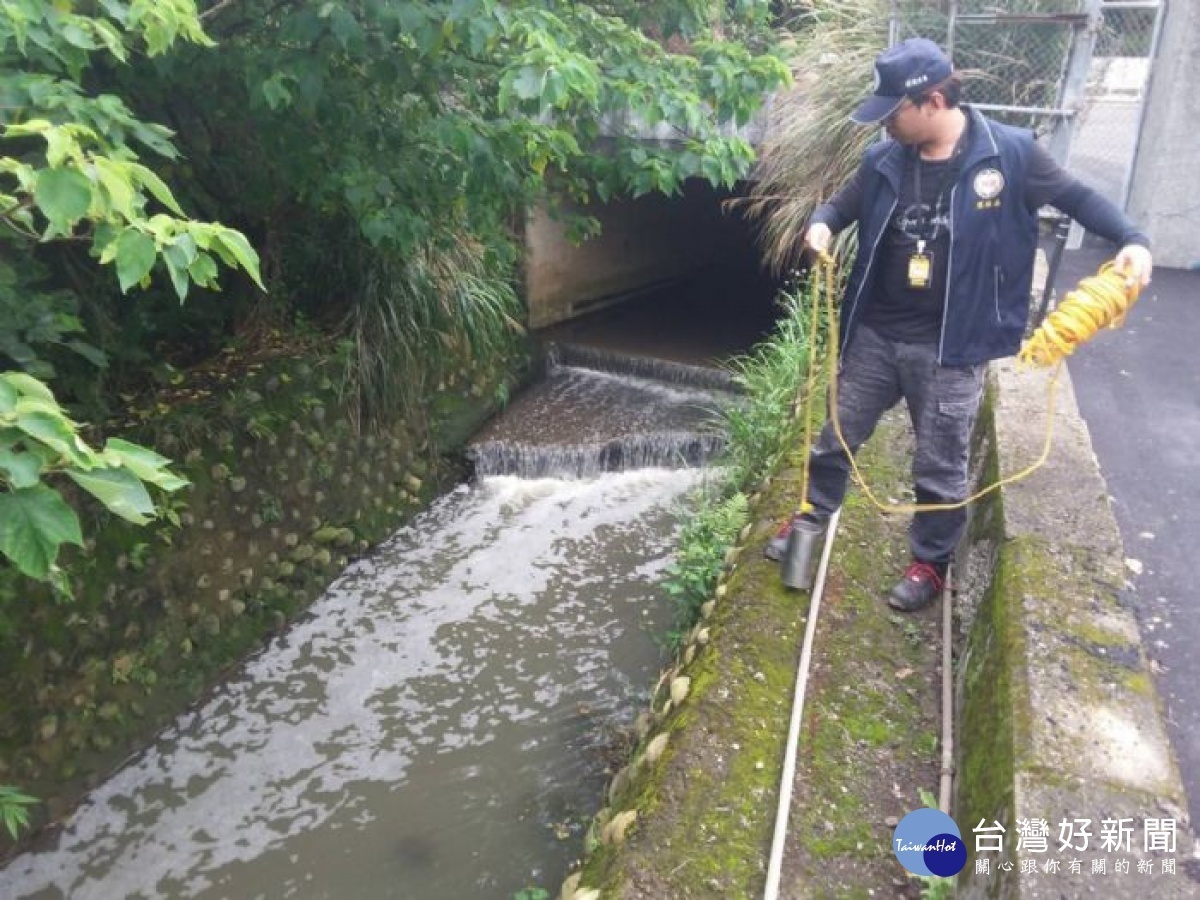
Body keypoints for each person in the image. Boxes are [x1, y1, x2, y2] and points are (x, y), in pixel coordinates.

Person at [764, 37, 1153, 611]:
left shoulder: (1011, 155)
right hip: (875, 334)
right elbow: (842, 204)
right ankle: (811, 515)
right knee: (837, 436)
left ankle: (931, 561)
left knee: (940, 463)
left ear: (934, 101)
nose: (885, 125)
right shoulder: (883, 160)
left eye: (893, 112)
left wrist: (1134, 240)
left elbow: (1077, 197)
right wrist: (822, 225)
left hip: (953, 348)